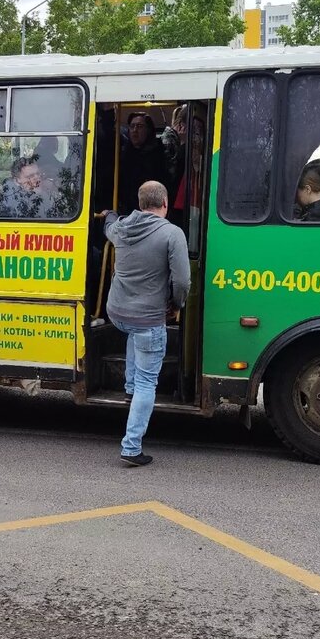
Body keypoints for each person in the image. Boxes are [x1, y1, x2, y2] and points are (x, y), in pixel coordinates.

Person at [100, 181, 190, 467]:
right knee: (147, 382)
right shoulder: (172, 234)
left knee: (132, 334)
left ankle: (128, 386)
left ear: (141, 204)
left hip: (117, 313)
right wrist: (177, 304)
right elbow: (183, 281)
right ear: (164, 204)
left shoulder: (122, 227)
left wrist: (111, 214)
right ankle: (131, 446)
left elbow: (108, 228)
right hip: (148, 318)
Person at [118, 113, 168, 215]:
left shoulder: (158, 155)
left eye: (140, 126)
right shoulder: (122, 152)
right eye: (132, 126)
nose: (135, 130)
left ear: (148, 130)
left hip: (150, 209)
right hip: (126, 208)